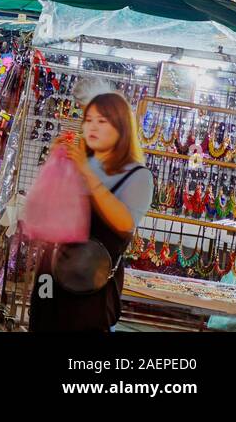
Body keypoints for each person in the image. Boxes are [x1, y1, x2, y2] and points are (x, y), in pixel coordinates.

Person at [29, 93, 154, 333]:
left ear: (121, 127)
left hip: (91, 285)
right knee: (41, 323)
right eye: (89, 120)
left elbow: (125, 224)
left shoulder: (137, 176)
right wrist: (55, 166)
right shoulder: (78, 162)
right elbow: (45, 212)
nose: (92, 126)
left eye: (102, 121)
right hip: (49, 277)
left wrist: (88, 174)